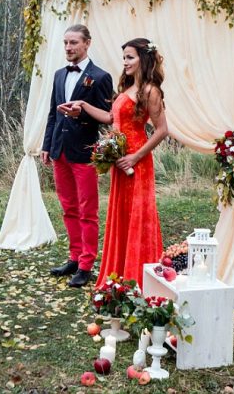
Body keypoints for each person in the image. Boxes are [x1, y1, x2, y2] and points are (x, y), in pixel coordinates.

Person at [62, 38, 168, 288]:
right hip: (119, 161)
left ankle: (138, 275)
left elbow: (162, 130)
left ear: (144, 58)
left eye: (130, 57)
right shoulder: (128, 88)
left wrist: (135, 156)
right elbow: (112, 118)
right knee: (120, 215)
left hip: (136, 162)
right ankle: (119, 271)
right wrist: (84, 106)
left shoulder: (150, 91)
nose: (125, 62)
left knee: (137, 216)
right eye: (124, 58)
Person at [41, 24, 113, 288]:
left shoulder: (101, 77)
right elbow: (52, 113)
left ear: (87, 43)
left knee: (87, 211)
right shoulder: (59, 75)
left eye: (74, 43)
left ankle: (86, 264)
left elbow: (107, 118)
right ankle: (73, 257)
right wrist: (47, 145)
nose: (69, 48)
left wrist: (81, 113)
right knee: (68, 207)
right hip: (60, 150)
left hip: (84, 152)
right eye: (66, 43)